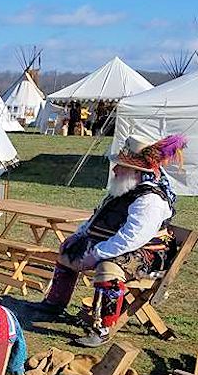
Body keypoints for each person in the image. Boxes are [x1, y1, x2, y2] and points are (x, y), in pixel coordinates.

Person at [33, 134, 188, 347]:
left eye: (121, 167)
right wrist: (79, 237)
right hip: (118, 243)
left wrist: (96, 254)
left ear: (137, 171)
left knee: (109, 268)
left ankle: (102, 328)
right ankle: (54, 304)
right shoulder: (125, 188)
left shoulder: (150, 199)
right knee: (69, 249)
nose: (115, 170)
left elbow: (132, 238)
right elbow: (97, 217)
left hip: (147, 252)